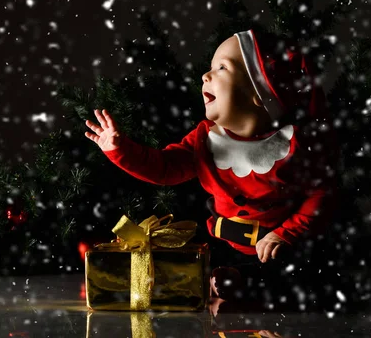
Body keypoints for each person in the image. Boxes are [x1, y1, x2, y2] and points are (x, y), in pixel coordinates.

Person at [84, 29, 344, 312]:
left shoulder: (293, 145)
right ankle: (226, 281)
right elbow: (164, 168)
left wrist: (286, 233)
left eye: (222, 68)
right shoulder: (205, 139)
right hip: (222, 244)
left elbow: (321, 196)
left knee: (292, 273)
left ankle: (249, 286)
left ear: (259, 94)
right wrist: (119, 149)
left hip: (276, 245)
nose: (205, 76)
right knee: (197, 266)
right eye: (209, 68)